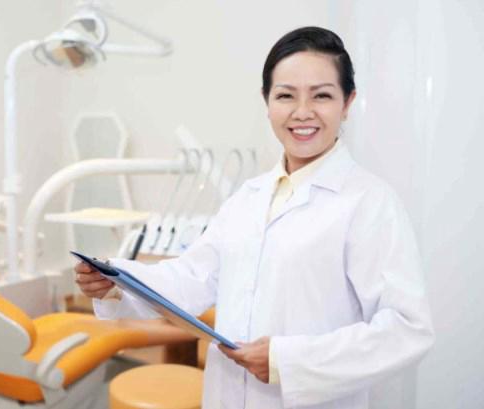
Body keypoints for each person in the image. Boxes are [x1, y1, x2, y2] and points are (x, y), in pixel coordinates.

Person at [74, 26, 434, 409]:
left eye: (322, 95)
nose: (302, 112)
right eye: (285, 95)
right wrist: (115, 280)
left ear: (347, 103)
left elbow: (406, 329)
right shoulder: (248, 198)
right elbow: (193, 276)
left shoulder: (369, 202)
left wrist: (286, 361)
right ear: (267, 101)